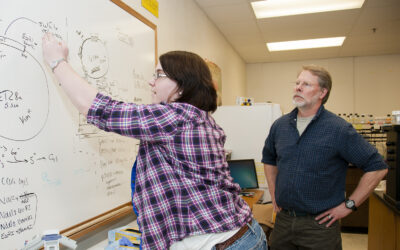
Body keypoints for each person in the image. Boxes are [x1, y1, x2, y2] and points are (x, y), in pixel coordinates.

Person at [42, 33, 267, 250]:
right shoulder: (195, 117)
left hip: (225, 243)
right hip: (235, 237)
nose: (151, 82)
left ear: (182, 85)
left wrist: (57, 62)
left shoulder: (179, 117)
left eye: (159, 74)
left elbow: (104, 111)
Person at [262, 65, 388, 250]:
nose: (298, 87)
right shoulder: (280, 126)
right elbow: (269, 159)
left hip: (320, 227)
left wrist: (349, 205)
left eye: (306, 84)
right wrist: (273, 193)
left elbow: (377, 167)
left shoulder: (338, 129)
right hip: (283, 222)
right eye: (297, 83)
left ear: (322, 92)